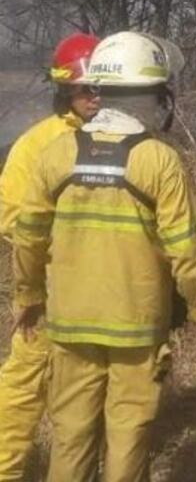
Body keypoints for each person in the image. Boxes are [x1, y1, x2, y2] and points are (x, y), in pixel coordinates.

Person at [11, 31, 196, 481]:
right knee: (127, 434)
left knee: (71, 434)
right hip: (136, 326)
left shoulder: (55, 153)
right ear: (155, 94)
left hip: (69, 323)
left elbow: (27, 237)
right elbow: (188, 247)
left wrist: (27, 296)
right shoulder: (159, 161)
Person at [0, 32, 100, 480]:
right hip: (48, 288)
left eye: (101, 87)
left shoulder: (122, 139)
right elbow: (11, 216)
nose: (94, 97)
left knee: (87, 392)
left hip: (103, 292)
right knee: (23, 387)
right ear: (65, 89)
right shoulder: (38, 143)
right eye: (85, 88)